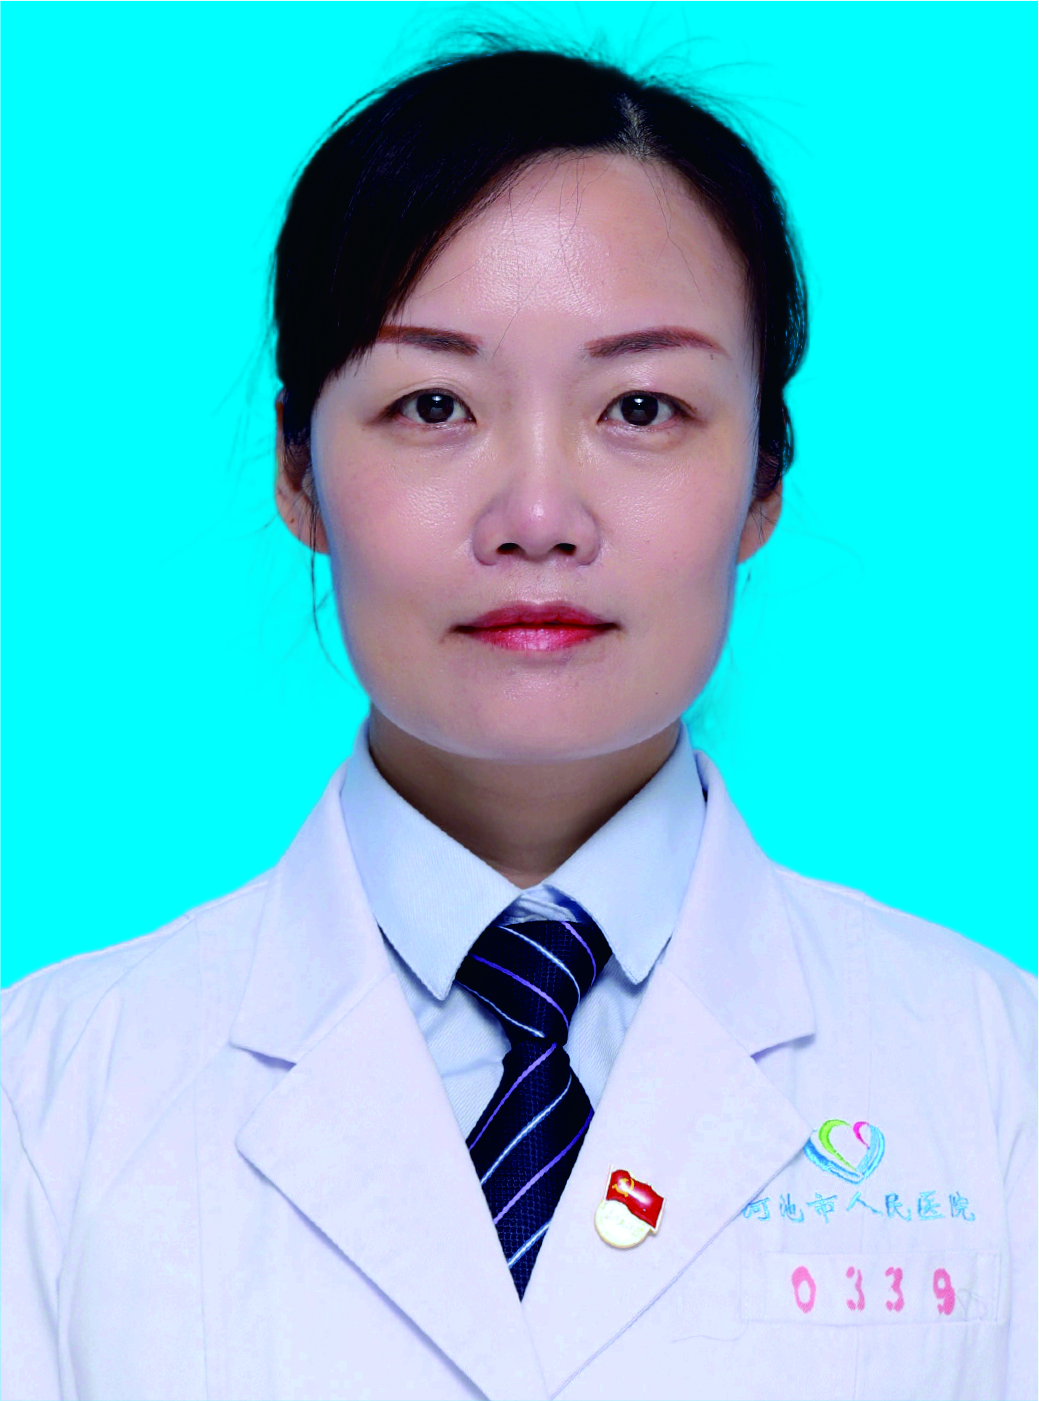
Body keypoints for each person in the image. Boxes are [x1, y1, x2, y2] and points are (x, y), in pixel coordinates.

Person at [1, 44, 1034, 1401]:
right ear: (298, 471)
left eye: (641, 407)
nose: (537, 517)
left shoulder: (997, 1080)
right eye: (433, 405)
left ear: (764, 478)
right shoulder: (42, 1100)